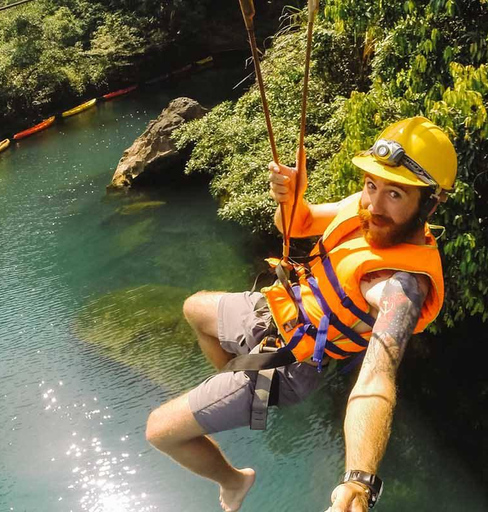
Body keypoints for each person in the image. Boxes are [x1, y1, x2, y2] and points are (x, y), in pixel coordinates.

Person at [145, 117, 456, 512]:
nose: (374, 204)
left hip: (291, 362)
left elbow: (377, 377)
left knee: (159, 430)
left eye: (395, 194)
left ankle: (233, 479)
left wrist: (358, 482)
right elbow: (298, 223)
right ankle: (235, 387)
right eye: (372, 184)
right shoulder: (364, 207)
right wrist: (292, 198)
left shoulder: (398, 285)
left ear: (429, 202)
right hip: (278, 310)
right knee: (194, 307)